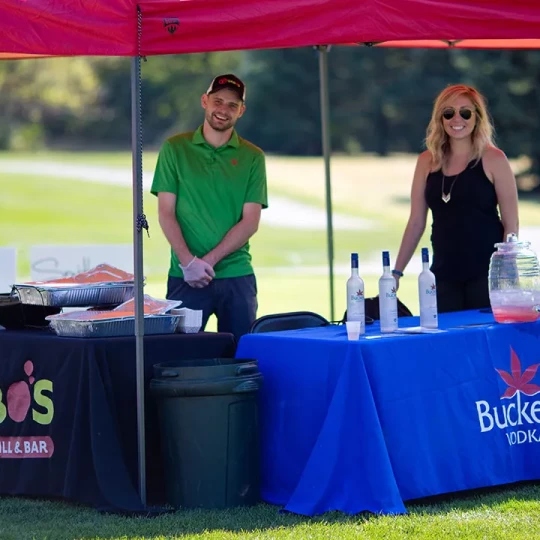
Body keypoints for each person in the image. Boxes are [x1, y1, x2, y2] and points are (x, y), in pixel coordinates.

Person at [151, 74, 268, 340]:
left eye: (232, 105)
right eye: (218, 101)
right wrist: (188, 262)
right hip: (184, 275)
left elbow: (250, 221)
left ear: (241, 111)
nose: (223, 110)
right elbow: (165, 213)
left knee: (242, 361)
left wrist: (206, 262)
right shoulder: (174, 149)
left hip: (237, 276)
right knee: (183, 360)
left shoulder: (253, 157)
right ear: (205, 101)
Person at [392, 84, 519, 313]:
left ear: (477, 117)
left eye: (465, 112)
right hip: (442, 275)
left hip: (487, 275)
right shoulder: (426, 162)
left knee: (484, 346)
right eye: (448, 113)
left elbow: (511, 225)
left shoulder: (494, 159)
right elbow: (416, 222)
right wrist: (396, 273)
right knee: (444, 345)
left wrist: (506, 273)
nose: (456, 119)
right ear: (440, 118)